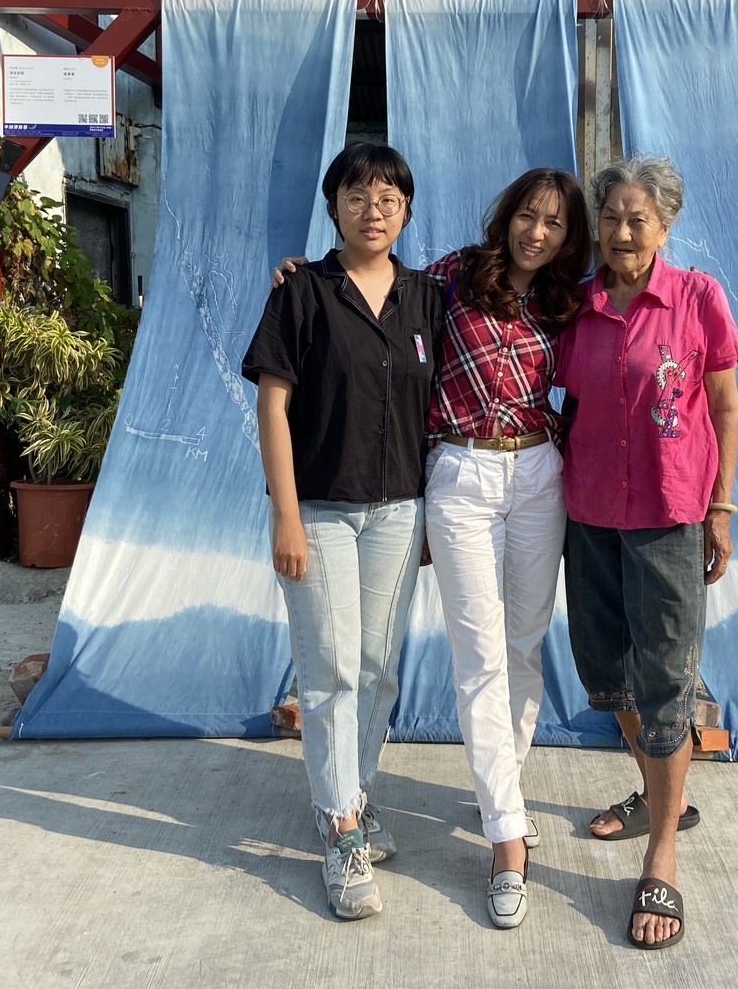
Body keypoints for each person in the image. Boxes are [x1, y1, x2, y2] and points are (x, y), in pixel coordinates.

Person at [273, 168, 592, 930]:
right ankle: (507, 842)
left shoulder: (569, 301)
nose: (536, 232)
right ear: (505, 214)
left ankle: (503, 799)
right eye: (526, 215)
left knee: (523, 649)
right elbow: (369, 292)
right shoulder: (451, 277)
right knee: (479, 655)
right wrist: (298, 276)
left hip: (538, 472)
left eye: (553, 222)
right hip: (459, 472)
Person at [241, 143, 445, 922]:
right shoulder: (302, 293)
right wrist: (284, 512)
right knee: (329, 671)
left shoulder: (428, 297)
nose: (374, 209)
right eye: (358, 195)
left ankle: (348, 796)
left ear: (406, 211)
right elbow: (272, 406)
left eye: (390, 197)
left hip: (399, 510)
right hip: (320, 510)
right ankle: (342, 829)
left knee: (379, 668)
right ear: (334, 207)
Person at [555, 155, 738, 950]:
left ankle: (661, 849)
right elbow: (476, 291)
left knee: (666, 677)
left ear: (665, 226)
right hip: (589, 514)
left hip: (670, 516)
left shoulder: (698, 298)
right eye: (610, 218)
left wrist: (721, 506)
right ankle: (657, 792)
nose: (622, 231)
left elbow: (726, 405)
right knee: (606, 669)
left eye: (638, 218)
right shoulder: (575, 304)